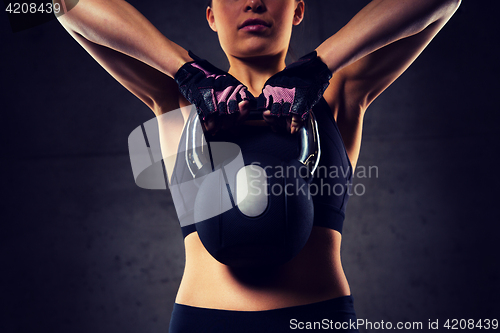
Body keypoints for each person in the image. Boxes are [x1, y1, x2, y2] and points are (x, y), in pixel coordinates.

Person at [54, 0, 461, 331]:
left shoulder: (337, 96)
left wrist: (319, 67)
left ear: (297, 10)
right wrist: (186, 70)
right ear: (211, 15)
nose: (253, 2)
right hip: (203, 323)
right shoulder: (178, 101)